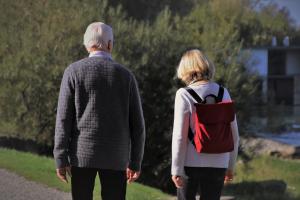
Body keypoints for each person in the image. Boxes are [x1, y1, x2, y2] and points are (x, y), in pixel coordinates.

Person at [53, 22, 146, 200]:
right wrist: (135, 161)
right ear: (110, 44)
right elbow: (138, 125)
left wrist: (60, 157)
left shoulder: (73, 72)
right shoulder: (126, 76)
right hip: (116, 157)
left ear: (87, 45)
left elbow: (63, 119)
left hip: (82, 155)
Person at [171, 49, 239, 200]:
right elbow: (234, 135)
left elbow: (179, 137)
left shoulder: (184, 94)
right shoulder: (223, 92)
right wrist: (230, 166)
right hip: (219, 163)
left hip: (190, 163)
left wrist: (176, 168)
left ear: (185, 69)